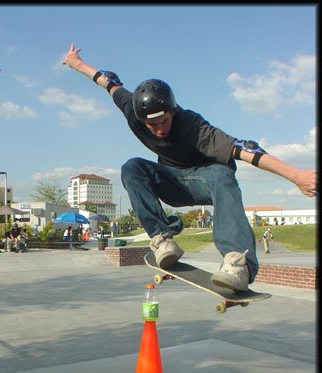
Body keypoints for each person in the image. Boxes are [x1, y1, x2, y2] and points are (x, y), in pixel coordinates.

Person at [63, 43, 317, 291]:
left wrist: (296, 175)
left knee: (222, 174)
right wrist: (78, 64)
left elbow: (245, 150)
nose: (160, 129)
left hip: (204, 181)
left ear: (172, 111)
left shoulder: (192, 125)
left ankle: (239, 265)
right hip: (172, 182)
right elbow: (108, 82)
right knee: (132, 167)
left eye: (164, 121)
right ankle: (162, 240)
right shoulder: (132, 109)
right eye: (153, 126)